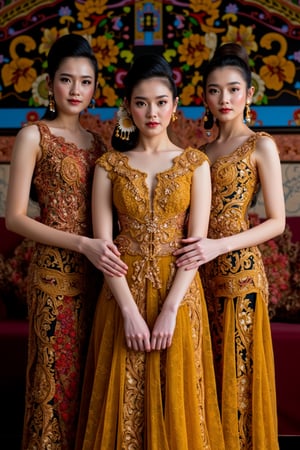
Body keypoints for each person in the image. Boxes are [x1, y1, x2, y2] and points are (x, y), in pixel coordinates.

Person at [75, 53, 225, 449]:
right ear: (128, 108)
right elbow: (105, 249)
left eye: (161, 102)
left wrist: (172, 309)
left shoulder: (196, 164)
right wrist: (127, 312)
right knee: (122, 408)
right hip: (121, 295)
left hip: (179, 295)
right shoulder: (109, 165)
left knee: (179, 406)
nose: (151, 112)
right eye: (141, 103)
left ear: (175, 107)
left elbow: (196, 246)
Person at [5, 34, 115, 449]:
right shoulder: (34, 136)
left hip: (97, 279)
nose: (75, 90)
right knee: (52, 382)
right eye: (66, 80)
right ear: (50, 83)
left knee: (91, 382)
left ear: (94, 87)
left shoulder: (99, 144)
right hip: (53, 277)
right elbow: (15, 218)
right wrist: (81, 244)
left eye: (85, 82)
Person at [174, 43, 285, 449]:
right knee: (205, 381)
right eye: (215, 90)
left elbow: (277, 222)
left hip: (240, 276)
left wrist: (219, 247)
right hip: (198, 278)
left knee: (239, 383)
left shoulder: (261, 145)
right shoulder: (197, 154)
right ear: (203, 96)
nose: (225, 99)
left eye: (235, 89)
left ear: (250, 94)